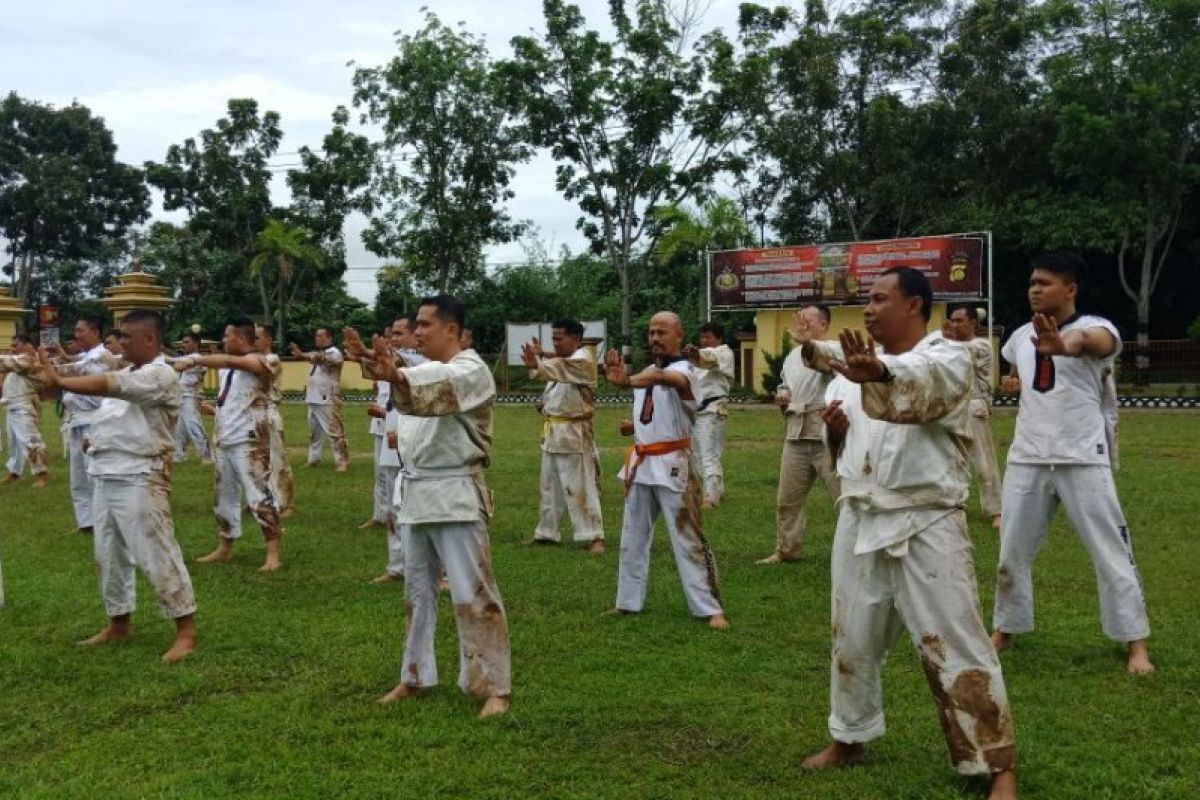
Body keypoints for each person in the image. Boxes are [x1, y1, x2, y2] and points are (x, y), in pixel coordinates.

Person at [800, 268, 1017, 800]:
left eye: (879, 299)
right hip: (860, 515)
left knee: (956, 641)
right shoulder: (852, 371)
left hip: (927, 519)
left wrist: (874, 370)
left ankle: (997, 765)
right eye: (866, 300)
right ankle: (849, 736)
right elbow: (850, 445)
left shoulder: (950, 357)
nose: (868, 309)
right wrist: (837, 432)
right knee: (850, 635)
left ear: (916, 304)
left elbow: (913, 383)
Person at [344, 294, 511, 719]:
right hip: (417, 493)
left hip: (455, 491)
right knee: (416, 593)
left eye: (425, 325)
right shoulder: (424, 368)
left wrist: (395, 372)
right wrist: (373, 358)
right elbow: (416, 376)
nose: (417, 331)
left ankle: (494, 687)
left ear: (451, 330)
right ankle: (414, 674)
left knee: (474, 593)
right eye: (415, 325)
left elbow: (432, 384)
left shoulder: (472, 370)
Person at [991, 253, 1152, 675]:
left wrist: (1063, 345)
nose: (1034, 289)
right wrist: (1013, 378)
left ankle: (1136, 644)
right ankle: (1004, 630)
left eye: (1044, 282)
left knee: (1111, 551)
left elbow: (1088, 345)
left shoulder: (1095, 329)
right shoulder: (1021, 335)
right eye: (1031, 282)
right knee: (1011, 552)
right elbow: (1015, 365)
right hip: (1027, 456)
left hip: (1082, 456)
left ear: (1070, 289)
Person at [32, 310, 197, 663]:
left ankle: (186, 631)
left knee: (156, 551)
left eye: (126, 336)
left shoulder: (161, 374)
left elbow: (110, 386)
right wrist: (95, 439)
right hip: (107, 473)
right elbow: (114, 412)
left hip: (140, 475)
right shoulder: (130, 370)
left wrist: (58, 380)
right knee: (109, 555)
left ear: (149, 339)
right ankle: (118, 623)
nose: (119, 342)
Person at [604, 312, 729, 631]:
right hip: (642, 463)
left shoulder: (687, 370)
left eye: (662, 332)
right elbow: (658, 403)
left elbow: (669, 382)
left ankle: (711, 608)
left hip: (674, 464)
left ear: (678, 335)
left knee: (688, 537)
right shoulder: (650, 370)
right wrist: (636, 426)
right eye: (650, 332)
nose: (655, 338)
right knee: (632, 537)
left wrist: (627, 380)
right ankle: (627, 602)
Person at [175, 318, 284, 572]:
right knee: (224, 498)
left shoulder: (266, 360)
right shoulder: (227, 369)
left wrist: (194, 359)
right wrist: (216, 410)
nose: (223, 340)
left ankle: (273, 554)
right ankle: (225, 546)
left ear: (242, 339)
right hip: (225, 439)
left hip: (250, 442)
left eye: (227, 335)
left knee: (259, 496)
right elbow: (237, 397)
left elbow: (239, 363)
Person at [758, 305, 841, 564]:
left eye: (808, 320)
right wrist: (782, 395)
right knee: (787, 499)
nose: (801, 324)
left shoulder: (835, 348)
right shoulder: (792, 355)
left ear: (824, 324)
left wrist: (809, 345)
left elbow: (827, 367)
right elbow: (785, 383)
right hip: (796, 433)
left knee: (844, 497)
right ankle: (787, 549)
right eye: (799, 320)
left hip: (827, 433)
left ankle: (857, 550)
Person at [522, 318, 605, 554]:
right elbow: (559, 381)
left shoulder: (584, 360)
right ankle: (547, 532)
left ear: (576, 339)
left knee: (581, 486)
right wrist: (546, 405)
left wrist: (538, 362)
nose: (555, 344)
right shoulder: (565, 362)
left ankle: (595, 536)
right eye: (553, 339)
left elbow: (560, 367)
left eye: (560, 339)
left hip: (574, 433)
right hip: (553, 432)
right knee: (549, 487)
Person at [50, 316, 112, 532]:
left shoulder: (101, 356)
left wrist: (48, 367)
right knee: (78, 475)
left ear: (95, 332)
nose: (76, 335)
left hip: (94, 419)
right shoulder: (87, 356)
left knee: (93, 471)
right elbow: (73, 365)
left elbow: (75, 371)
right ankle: (86, 521)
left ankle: (102, 519)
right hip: (77, 418)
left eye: (80, 331)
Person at [943, 305, 1002, 528]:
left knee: (984, 461)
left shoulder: (982, 345)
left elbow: (962, 353)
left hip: (975, 406)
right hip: (953, 407)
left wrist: (945, 341)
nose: (955, 325)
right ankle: (956, 505)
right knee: (953, 461)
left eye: (959, 321)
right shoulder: (950, 347)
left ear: (972, 324)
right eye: (952, 321)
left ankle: (997, 510)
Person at [684, 321, 736, 508]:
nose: (704, 340)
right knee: (698, 454)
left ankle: (711, 498)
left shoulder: (724, 352)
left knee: (709, 454)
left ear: (718, 337)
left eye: (708, 337)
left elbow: (708, 359)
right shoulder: (696, 360)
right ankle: (717, 491)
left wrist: (695, 353)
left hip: (713, 410)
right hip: (698, 411)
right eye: (702, 337)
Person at [290, 328, 349, 472]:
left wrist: (304, 355)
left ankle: (343, 461)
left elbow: (325, 360)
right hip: (314, 397)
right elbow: (314, 357)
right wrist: (302, 355)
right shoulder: (318, 353)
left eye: (320, 335)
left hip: (328, 397)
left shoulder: (334, 352)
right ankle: (314, 459)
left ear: (329, 337)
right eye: (316, 335)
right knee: (314, 433)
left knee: (335, 431)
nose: (317, 338)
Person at [1, 335, 50, 487]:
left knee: (31, 440)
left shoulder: (29, 359)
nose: (12, 348)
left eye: (16, 345)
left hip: (24, 407)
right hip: (12, 406)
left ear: (28, 345)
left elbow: (5, 362)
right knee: (14, 443)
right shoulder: (18, 362)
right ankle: (14, 472)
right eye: (12, 345)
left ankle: (42, 473)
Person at [257, 325, 295, 519]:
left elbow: (258, 372)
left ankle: (288, 503)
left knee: (277, 460)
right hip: (254, 414)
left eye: (257, 337)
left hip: (269, 412)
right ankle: (261, 499)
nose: (253, 340)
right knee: (257, 461)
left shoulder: (272, 359)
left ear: (268, 340)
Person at [359, 329, 396, 531]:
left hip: (395, 421)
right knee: (379, 471)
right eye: (387, 336)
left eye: (394, 335)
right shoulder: (384, 360)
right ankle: (380, 514)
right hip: (380, 420)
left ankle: (395, 515)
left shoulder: (408, 363)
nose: (389, 339)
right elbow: (376, 383)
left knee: (393, 472)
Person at [172, 332, 213, 464]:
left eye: (187, 342)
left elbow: (177, 365)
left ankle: (206, 455)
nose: (184, 345)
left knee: (193, 425)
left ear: (196, 343)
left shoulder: (196, 357)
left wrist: (162, 356)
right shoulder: (187, 357)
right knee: (179, 428)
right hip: (181, 396)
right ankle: (179, 455)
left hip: (190, 396)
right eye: (183, 342)